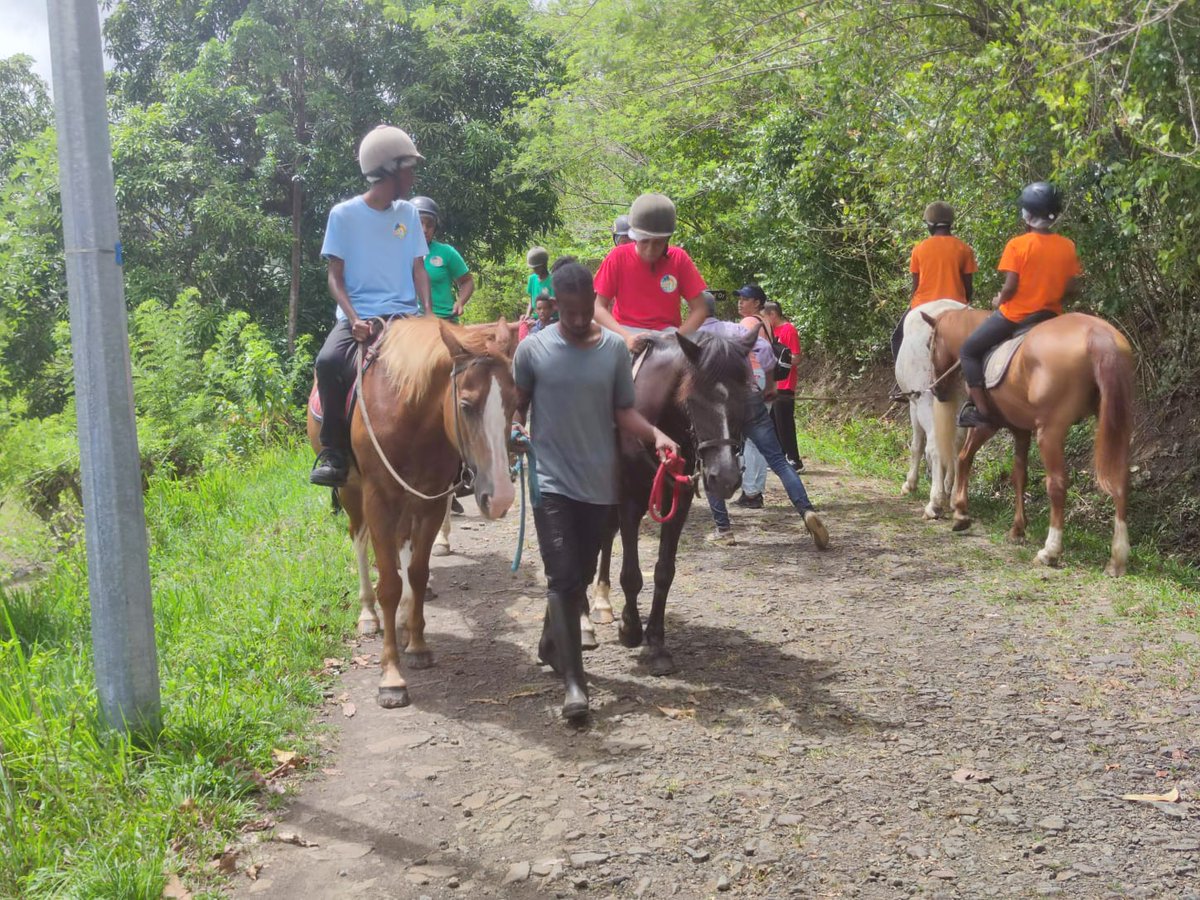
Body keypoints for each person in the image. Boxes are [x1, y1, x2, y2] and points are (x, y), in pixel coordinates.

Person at [512, 262, 677, 720]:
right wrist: (513, 430)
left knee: (579, 578)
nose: (581, 319)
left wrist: (656, 435)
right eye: (570, 312)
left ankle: (551, 642)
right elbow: (517, 408)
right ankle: (574, 684)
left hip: (599, 485)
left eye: (587, 310)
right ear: (554, 306)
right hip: (552, 483)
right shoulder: (533, 350)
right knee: (563, 578)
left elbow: (623, 411)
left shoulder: (611, 352)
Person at [311, 125, 432, 487]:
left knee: (447, 365)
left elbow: (418, 268)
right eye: (407, 168)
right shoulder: (343, 215)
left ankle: (455, 458)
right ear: (387, 170)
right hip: (359, 317)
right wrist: (354, 318)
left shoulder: (409, 214)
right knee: (328, 362)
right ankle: (334, 451)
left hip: (404, 318)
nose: (412, 176)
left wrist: (427, 315)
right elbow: (335, 276)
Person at [695, 294, 829, 551]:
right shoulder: (735, 328)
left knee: (711, 461)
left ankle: (724, 530)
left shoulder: (694, 336)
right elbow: (766, 350)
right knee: (778, 461)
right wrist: (768, 386)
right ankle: (806, 511)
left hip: (718, 406)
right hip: (749, 396)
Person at [958, 182, 1081, 428]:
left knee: (968, 351)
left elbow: (1011, 286)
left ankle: (982, 412)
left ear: (1026, 214)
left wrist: (998, 299)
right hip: (1051, 317)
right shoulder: (1068, 246)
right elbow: (1073, 289)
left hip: (1016, 316)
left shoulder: (1017, 245)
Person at [593, 193, 709, 347]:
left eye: (658, 243)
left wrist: (678, 338)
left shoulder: (678, 258)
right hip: (625, 332)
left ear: (667, 240)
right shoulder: (617, 257)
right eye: (645, 241)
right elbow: (598, 307)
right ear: (634, 238)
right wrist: (626, 337)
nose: (650, 249)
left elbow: (700, 308)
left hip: (668, 335)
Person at [889, 201, 977, 401]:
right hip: (958, 305)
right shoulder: (964, 249)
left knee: (896, 338)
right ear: (950, 224)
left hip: (923, 304)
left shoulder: (919, 249)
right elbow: (968, 286)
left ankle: (900, 385)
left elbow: (915, 286)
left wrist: (914, 305)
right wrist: (965, 304)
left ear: (929, 224)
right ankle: (979, 386)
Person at [732, 285, 772, 508]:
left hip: (752, 384)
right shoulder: (765, 322)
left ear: (757, 302)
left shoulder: (748, 323)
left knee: (752, 440)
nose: (740, 302)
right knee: (758, 440)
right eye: (740, 298)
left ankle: (751, 492)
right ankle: (754, 490)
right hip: (764, 382)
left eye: (745, 299)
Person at [413, 196, 474, 323]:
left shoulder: (446, 252)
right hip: (409, 320)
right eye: (419, 223)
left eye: (429, 225)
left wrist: (460, 302)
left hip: (444, 320)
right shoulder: (398, 253)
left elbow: (467, 281)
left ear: (435, 228)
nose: (424, 230)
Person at [763, 300, 804, 472]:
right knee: (772, 422)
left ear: (772, 314)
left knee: (784, 422)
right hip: (771, 383)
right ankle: (779, 457)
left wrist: (782, 359)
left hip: (785, 384)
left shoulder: (788, 330)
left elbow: (796, 357)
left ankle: (794, 459)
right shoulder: (770, 332)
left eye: (764, 316)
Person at [524, 247, 553, 317]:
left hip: (551, 318)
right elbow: (531, 300)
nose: (534, 270)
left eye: (536, 268)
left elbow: (556, 305)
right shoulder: (532, 279)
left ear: (544, 265)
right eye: (533, 268)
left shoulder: (553, 280)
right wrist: (527, 315)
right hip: (536, 318)